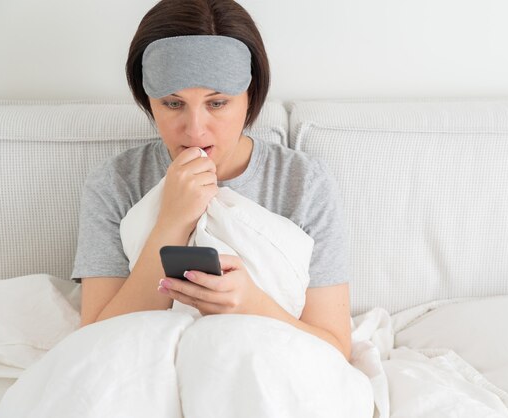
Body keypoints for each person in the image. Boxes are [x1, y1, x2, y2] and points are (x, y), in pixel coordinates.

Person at [71, 0, 353, 361]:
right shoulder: (116, 183)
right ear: (148, 100)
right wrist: (172, 221)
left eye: (217, 103)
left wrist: (251, 303)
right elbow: (92, 342)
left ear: (251, 96)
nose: (195, 130)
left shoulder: (302, 183)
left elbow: (335, 349)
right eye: (173, 104)